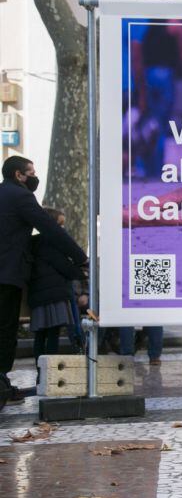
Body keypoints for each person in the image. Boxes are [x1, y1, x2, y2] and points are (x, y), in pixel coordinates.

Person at [0, 156, 88, 406]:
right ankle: (1, 382)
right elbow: (49, 228)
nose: (34, 176)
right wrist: (80, 257)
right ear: (19, 174)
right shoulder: (21, 197)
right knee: (5, 329)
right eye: (31, 172)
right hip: (7, 275)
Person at [28, 208, 87, 364]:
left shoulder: (33, 243)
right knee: (53, 334)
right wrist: (82, 272)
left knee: (40, 335)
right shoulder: (53, 243)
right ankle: (50, 369)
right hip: (55, 295)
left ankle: (39, 368)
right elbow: (64, 267)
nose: (62, 228)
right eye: (59, 224)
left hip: (37, 296)